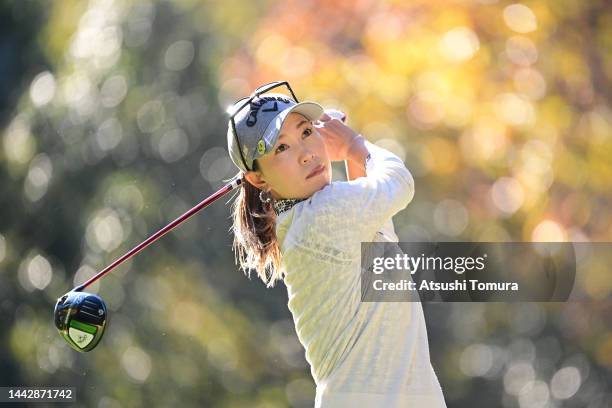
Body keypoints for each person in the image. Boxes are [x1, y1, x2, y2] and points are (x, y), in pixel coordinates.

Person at [226, 81, 447, 407]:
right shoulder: (322, 218)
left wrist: (348, 155)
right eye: (282, 148)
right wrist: (355, 144)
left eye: (305, 133)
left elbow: (374, 224)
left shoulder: (315, 219)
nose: (306, 154)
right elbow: (399, 183)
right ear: (258, 179)